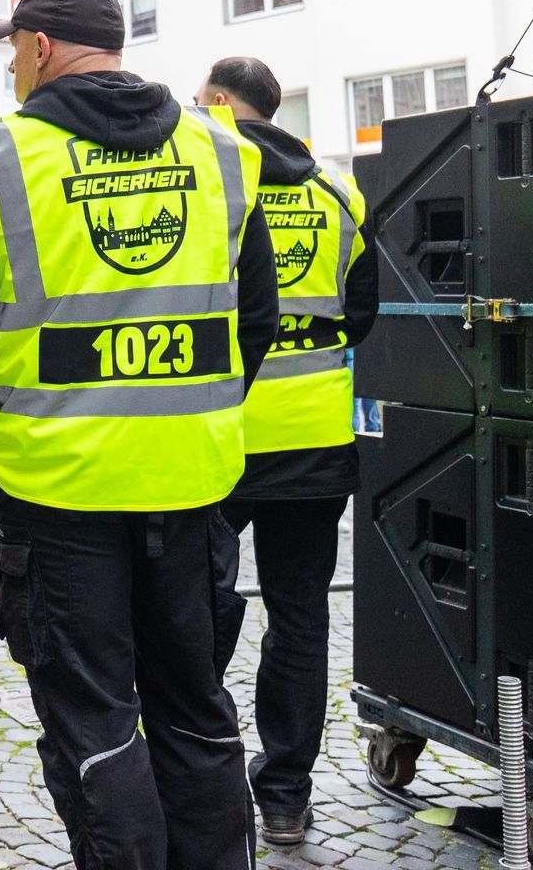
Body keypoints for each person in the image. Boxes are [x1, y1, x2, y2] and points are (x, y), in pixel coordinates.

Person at [0, 0, 279, 868]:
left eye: (12, 51)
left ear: (38, 47)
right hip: (192, 481)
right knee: (195, 708)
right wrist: (196, 413)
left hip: (57, 491)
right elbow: (257, 317)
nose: (10, 69)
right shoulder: (222, 150)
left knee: (95, 724)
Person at [196, 56, 375, 848]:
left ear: (226, 104)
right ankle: (286, 794)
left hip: (222, 434)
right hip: (314, 433)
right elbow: (360, 311)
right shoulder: (339, 193)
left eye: (204, 102)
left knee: (198, 606)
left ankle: (201, 772)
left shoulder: (210, 184)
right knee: (299, 619)